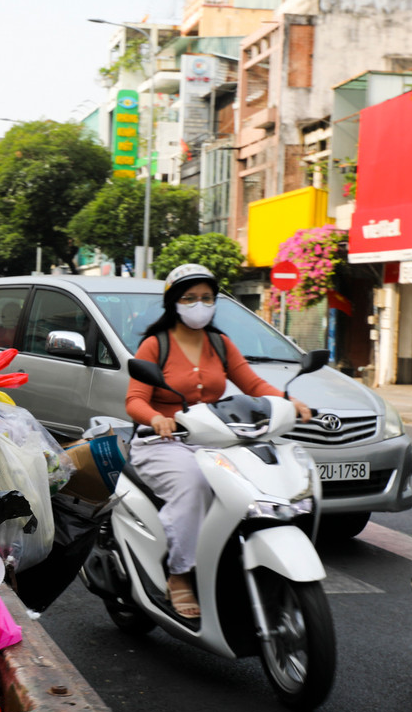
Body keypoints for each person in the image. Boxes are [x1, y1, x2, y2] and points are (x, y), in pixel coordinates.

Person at [125, 264, 313, 618]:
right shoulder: (155, 344)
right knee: (195, 486)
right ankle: (179, 574)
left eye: (207, 298)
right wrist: (157, 418)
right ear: (174, 303)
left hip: (213, 438)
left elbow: (254, 385)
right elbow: (134, 399)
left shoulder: (219, 343)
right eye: (190, 298)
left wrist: (288, 403)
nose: (199, 304)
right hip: (161, 441)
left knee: (249, 486)